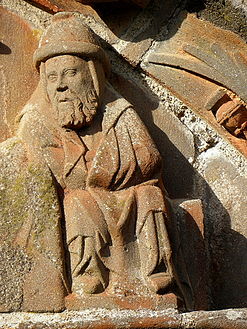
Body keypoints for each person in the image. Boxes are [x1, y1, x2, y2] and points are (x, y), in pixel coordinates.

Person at [0, 12, 192, 311]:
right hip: (83, 201)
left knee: (150, 195)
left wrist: (102, 174)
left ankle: (156, 277)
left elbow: (148, 160)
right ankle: (88, 279)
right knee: (76, 202)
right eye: (52, 77)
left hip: (126, 195)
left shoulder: (120, 113)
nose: (61, 86)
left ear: (91, 76)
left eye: (70, 73)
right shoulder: (37, 122)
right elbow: (42, 172)